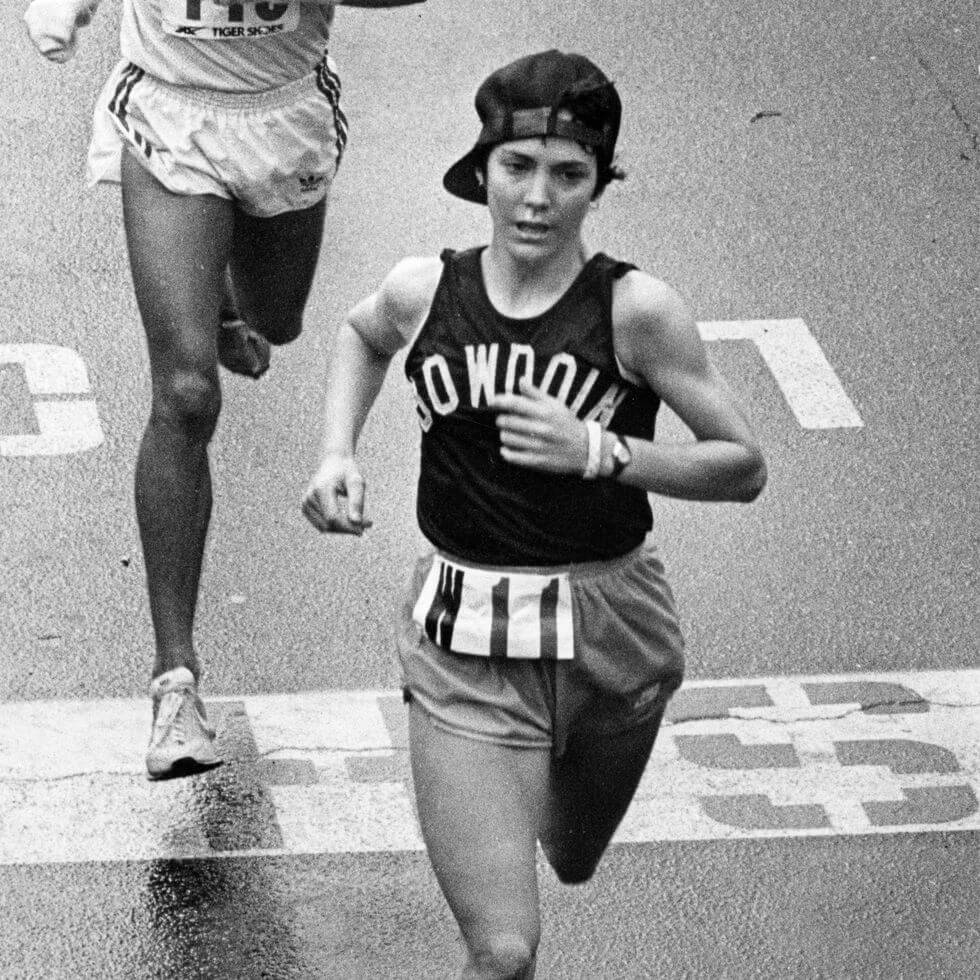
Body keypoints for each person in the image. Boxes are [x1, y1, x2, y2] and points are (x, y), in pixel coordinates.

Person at [302, 49, 768, 979]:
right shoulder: (425, 290)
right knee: (505, 950)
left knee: (574, 856)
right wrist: (336, 452)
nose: (539, 199)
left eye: (570, 175)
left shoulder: (637, 312)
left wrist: (599, 451)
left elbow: (743, 466)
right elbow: (361, 334)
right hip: (465, 639)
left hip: (613, 628)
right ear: (483, 172)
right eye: (518, 168)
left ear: (600, 185)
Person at [24, 0, 426, 781]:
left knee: (278, 321)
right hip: (171, 109)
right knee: (185, 393)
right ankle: (175, 685)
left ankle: (224, 301)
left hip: (282, 111)